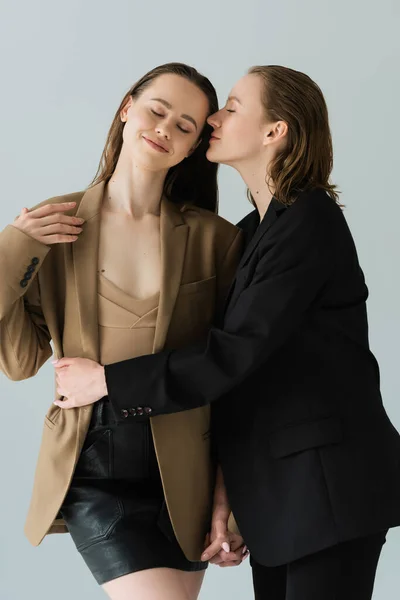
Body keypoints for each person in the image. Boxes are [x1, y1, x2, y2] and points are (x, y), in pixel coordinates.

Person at [55, 64, 400, 600]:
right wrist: (227, 498)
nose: (215, 117)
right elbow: (243, 386)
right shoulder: (254, 232)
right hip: (281, 495)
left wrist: (107, 382)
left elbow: (233, 354)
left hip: (327, 487)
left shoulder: (310, 221)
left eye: (233, 108)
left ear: (274, 131)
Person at [0, 62, 246, 600]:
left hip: (189, 474)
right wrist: (10, 250)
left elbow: (232, 373)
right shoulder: (54, 224)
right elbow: (18, 361)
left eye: (184, 126)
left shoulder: (216, 240)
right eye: (156, 111)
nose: (164, 129)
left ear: (192, 147)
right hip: (98, 468)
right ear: (126, 109)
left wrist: (231, 497)